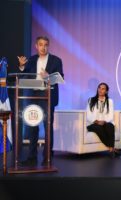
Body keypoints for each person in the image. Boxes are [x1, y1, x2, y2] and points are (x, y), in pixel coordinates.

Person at [18, 36, 64, 166]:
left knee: (47, 126)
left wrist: (48, 76)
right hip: (33, 96)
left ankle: (47, 156)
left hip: (48, 96)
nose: (43, 47)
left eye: (46, 45)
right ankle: (31, 156)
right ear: (36, 46)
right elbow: (24, 76)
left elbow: (61, 78)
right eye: (41, 44)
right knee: (33, 126)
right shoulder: (31, 60)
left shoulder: (56, 60)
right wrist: (22, 66)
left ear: (48, 46)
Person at [86, 82, 121, 157]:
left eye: (103, 89)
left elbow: (110, 115)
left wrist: (104, 122)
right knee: (99, 128)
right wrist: (97, 121)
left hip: (105, 122)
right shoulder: (91, 100)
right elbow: (88, 115)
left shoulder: (110, 101)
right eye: (99, 88)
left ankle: (111, 148)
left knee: (110, 126)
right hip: (93, 123)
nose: (100, 90)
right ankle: (112, 148)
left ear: (106, 91)